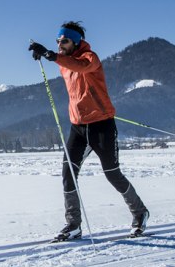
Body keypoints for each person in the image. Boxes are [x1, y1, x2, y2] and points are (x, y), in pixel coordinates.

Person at [28, 21, 150, 241]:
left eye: (63, 41)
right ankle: (73, 225)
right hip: (78, 126)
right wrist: (45, 54)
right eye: (57, 42)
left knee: (112, 174)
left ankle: (139, 212)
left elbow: (80, 67)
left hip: (102, 125)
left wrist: (50, 55)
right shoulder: (64, 61)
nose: (59, 45)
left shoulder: (90, 58)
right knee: (68, 175)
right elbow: (66, 64)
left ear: (75, 42)